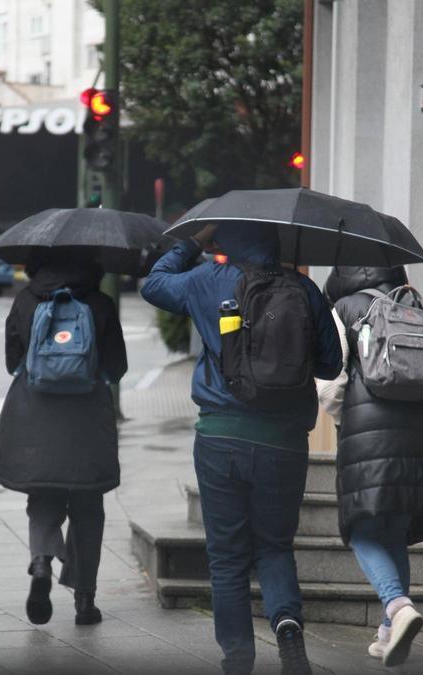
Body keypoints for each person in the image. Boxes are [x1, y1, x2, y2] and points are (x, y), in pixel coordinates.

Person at [140, 223, 342, 675]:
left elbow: (153, 284)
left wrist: (195, 241)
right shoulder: (304, 289)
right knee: (275, 546)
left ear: (227, 241)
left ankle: (237, 659)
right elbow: (332, 364)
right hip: (284, 441)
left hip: (221, 436)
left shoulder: (207, 280)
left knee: (227, 558)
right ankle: (287, 627)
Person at [316, 265, 423, 667]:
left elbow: (331, 385)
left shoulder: (345, 308)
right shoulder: (419, 310)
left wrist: (348, 422)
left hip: (367, 435)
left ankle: (397, 606)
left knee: (361, 530)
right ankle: (386, 633)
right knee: (394, 532)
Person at [0, 252, 127, 627]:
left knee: (43, 496)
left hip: (34, 414)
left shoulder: (25, 300)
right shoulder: (100, 302)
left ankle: (41, 561)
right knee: (88, 505)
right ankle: (85, 601)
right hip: (87, 418)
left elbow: (12, 362)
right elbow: (116, 367)